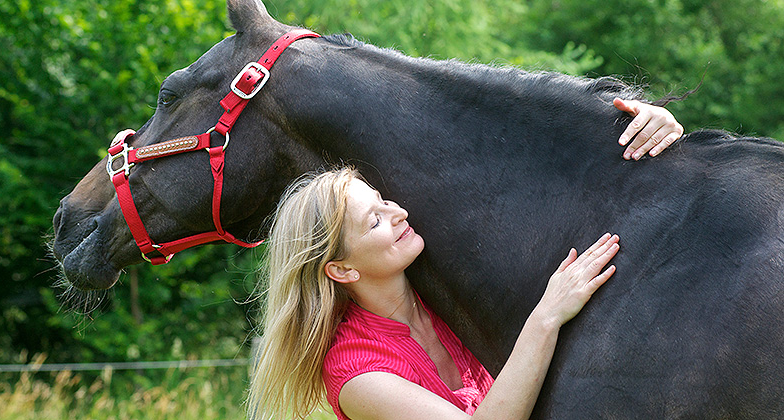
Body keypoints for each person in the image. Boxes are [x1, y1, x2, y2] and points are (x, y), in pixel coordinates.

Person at [247, 100, 683, 420]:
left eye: (384, 201)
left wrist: (641, 138)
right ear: (341, 269)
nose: (399, 213)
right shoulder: (359, 374)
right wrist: (546, 316)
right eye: (374, 220)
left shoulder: (441, 284)